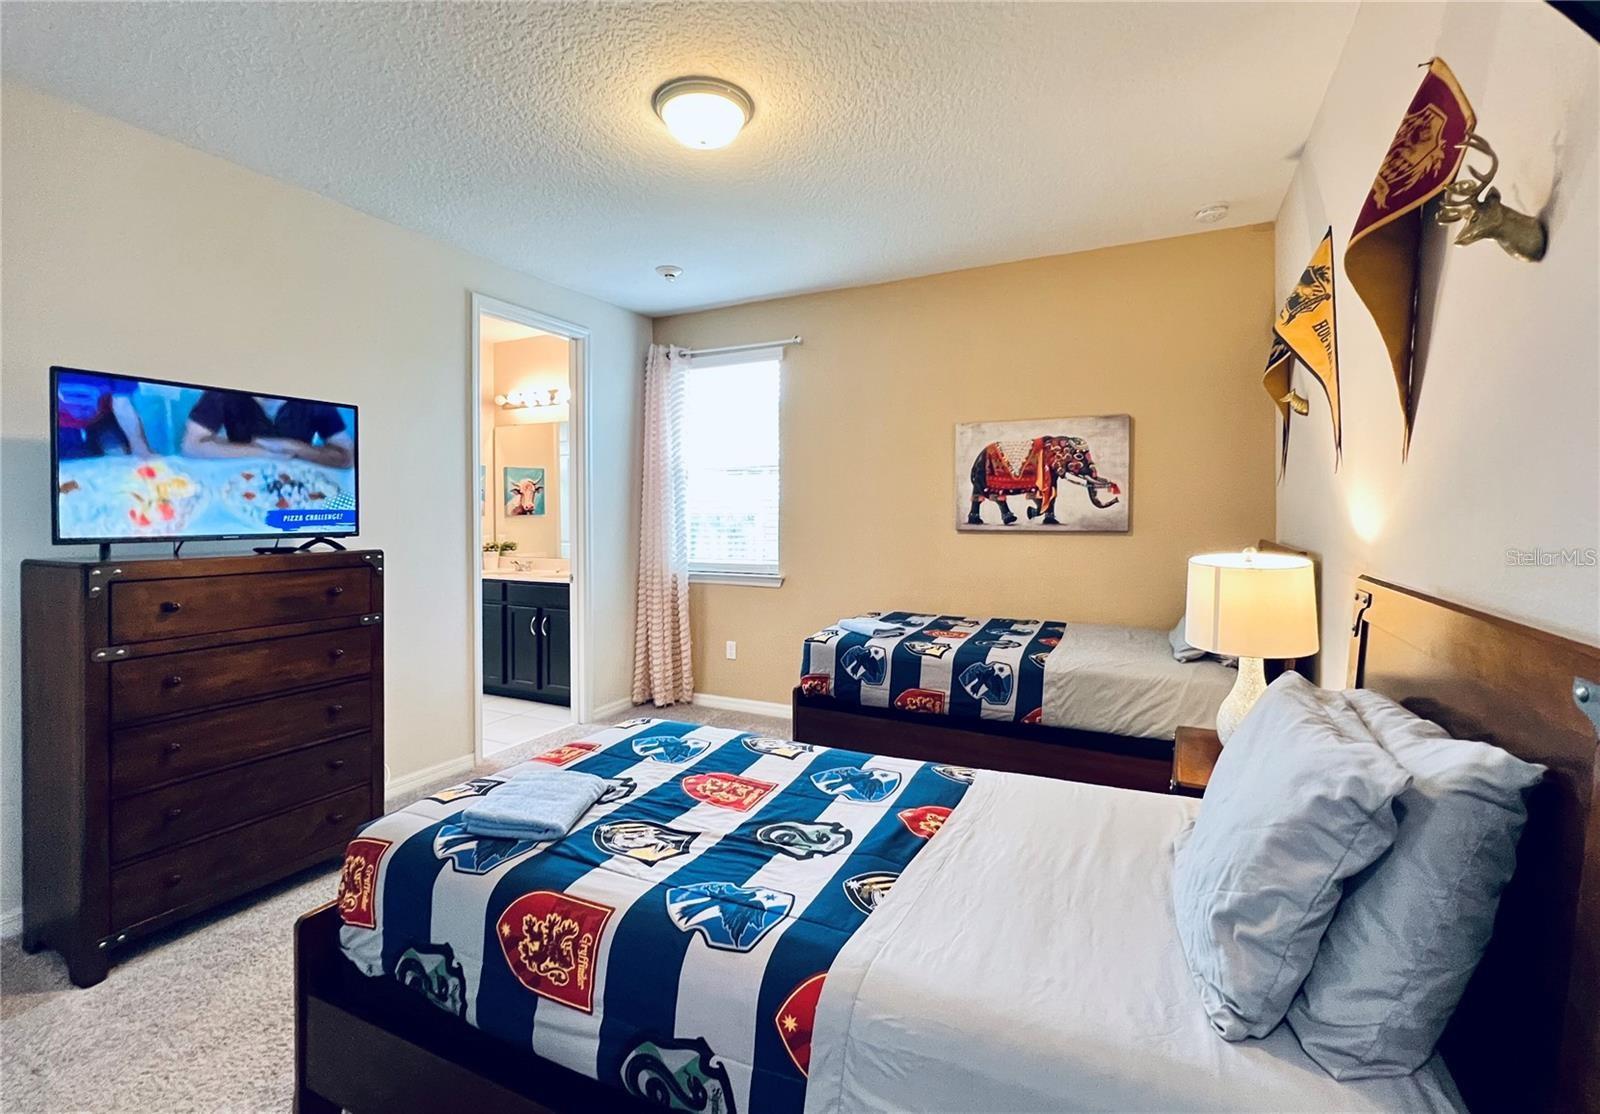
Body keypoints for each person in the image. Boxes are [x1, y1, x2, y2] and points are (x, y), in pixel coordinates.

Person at [182, 389, 354, 468]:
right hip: (239, 480)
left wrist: (294, 447)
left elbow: (347, 457)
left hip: (299, 485)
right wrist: (261, 452)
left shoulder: (313, 397)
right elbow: (190, 446)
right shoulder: (223, 392)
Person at [56, 371, 153, 459]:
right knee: (68, 459)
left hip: (101, 421)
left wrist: (139, 447)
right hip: (62, 424)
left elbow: (122, 405)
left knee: (118, 454)